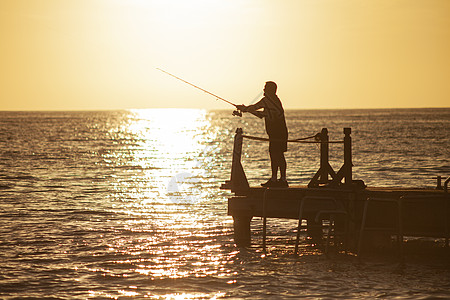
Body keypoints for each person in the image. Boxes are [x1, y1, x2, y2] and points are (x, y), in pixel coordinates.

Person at [237, 81, 288, 187]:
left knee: (276, 155)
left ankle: (279, 180)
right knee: (277, 155)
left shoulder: (267, 100)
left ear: (270, 90)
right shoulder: (275, 100)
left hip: (277, 132)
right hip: (280, 132)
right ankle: (279, 179)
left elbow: (256, 108)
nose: (263, 90)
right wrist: (246, 109)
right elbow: (263, 114)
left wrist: (245, 109)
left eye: (265, 88)